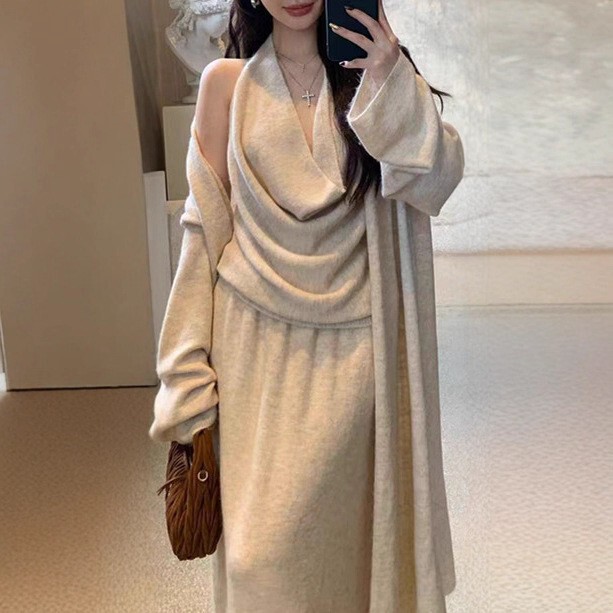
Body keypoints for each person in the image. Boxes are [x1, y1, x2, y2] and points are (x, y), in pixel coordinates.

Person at [149, 0, 465, 611]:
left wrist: (389, 79)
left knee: (346, 558)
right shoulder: (226, 85)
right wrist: (183, 376)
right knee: (259, 560)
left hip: (355, 363)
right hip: (253, 360)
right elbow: (203, 236)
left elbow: (438, 180)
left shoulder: (374, 76)